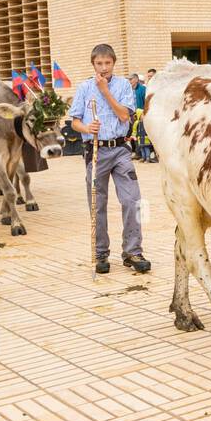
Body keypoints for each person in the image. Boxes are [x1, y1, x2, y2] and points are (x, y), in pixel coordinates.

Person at [68, 43, 151, 275]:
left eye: (107, 63)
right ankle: (101, 252)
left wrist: (105, 91)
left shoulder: (124, 85)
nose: (103, 68)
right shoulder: (84, 87)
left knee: (132, 200)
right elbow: (74, 121)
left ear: (113, 63)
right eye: (99, 63)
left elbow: (125, 115)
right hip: (95, 151)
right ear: (93, 64)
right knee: (98, 204)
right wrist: (86, 126)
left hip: (120, 149)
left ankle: (133, 251)